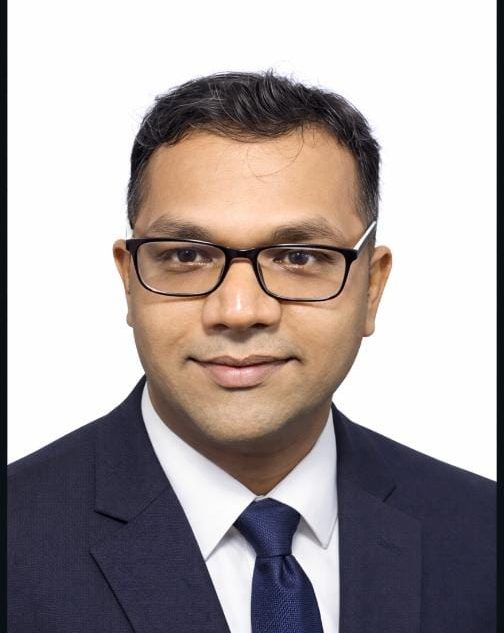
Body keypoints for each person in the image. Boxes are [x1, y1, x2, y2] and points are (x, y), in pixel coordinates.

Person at [8, 71, 495, 633]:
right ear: (129, 281)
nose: (239, 310)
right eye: (187, 256)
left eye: (298, 257)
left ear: (372, 288)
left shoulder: (483, 535)